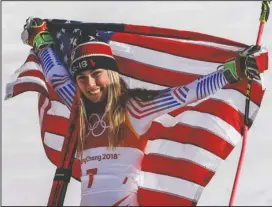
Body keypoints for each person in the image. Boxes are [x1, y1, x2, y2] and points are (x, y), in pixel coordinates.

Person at [21, 17, 264, 206]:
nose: (90, 85)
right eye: (82, 78)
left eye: (97, 75)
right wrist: (42, 41)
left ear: (112, 75)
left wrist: (231, 71)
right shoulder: (79, 108)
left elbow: (185, 94)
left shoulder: (135, 108)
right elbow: (58, 78)